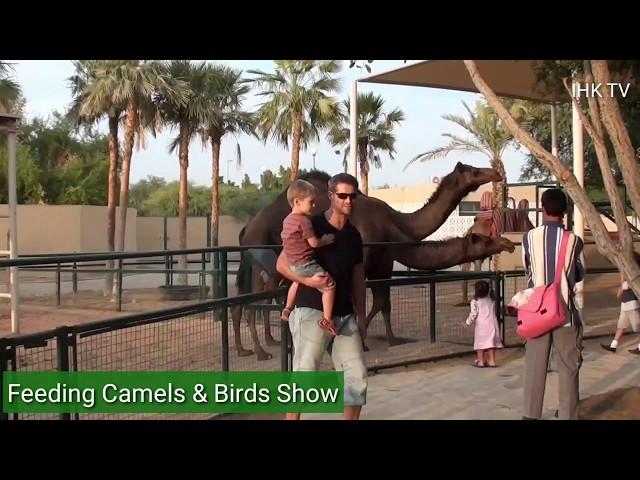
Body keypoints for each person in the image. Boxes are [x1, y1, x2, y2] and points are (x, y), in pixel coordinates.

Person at [276, 173, 368, 420]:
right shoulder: (310, 224)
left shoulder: (354, 236)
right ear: (331, 196)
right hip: (311, 310)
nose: (348, 200)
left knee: (356, 377)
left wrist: (362, 315)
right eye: (342, 195)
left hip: (345, 315)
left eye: (352, 196)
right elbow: (282, 264)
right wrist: (306, 280)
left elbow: (359, 277)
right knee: (304, 377)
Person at [521, 188, 586, 420]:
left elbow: (528, 271)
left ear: (542, 207)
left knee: (535, 368)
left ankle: (530, 415)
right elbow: (579, 274)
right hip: (565, 315)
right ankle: (568, 415)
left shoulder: (529, 238)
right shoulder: (575, 241)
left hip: (537, 314)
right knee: (569, 368)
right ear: (565, 211)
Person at [280, 179, 337, 336]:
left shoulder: (287, 220)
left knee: (296, 281)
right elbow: (313, 243)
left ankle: (287, 308)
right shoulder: (304, 221)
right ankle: (327, 319)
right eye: (311, 202)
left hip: (293, 263)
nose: (314, 206)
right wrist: (325, 240)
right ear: (297, 202)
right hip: (306, 264)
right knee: (329, 285)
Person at [601, 253, 640, 355]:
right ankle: (613, 345)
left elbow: (625, 287)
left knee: (638, 327)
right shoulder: (626, 273)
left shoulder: (633, 276)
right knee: (621, 326)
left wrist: (622, 286)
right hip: (625, 303)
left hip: (632, 303)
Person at [465, 280, 503, 367]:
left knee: (480, 344)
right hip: (492, 324)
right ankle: (492, 361)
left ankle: (480, 361)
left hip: (481, 326)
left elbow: (473, 314)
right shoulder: (491, 299)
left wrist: (467, 323)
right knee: (491, 343)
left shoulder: (475, 301)